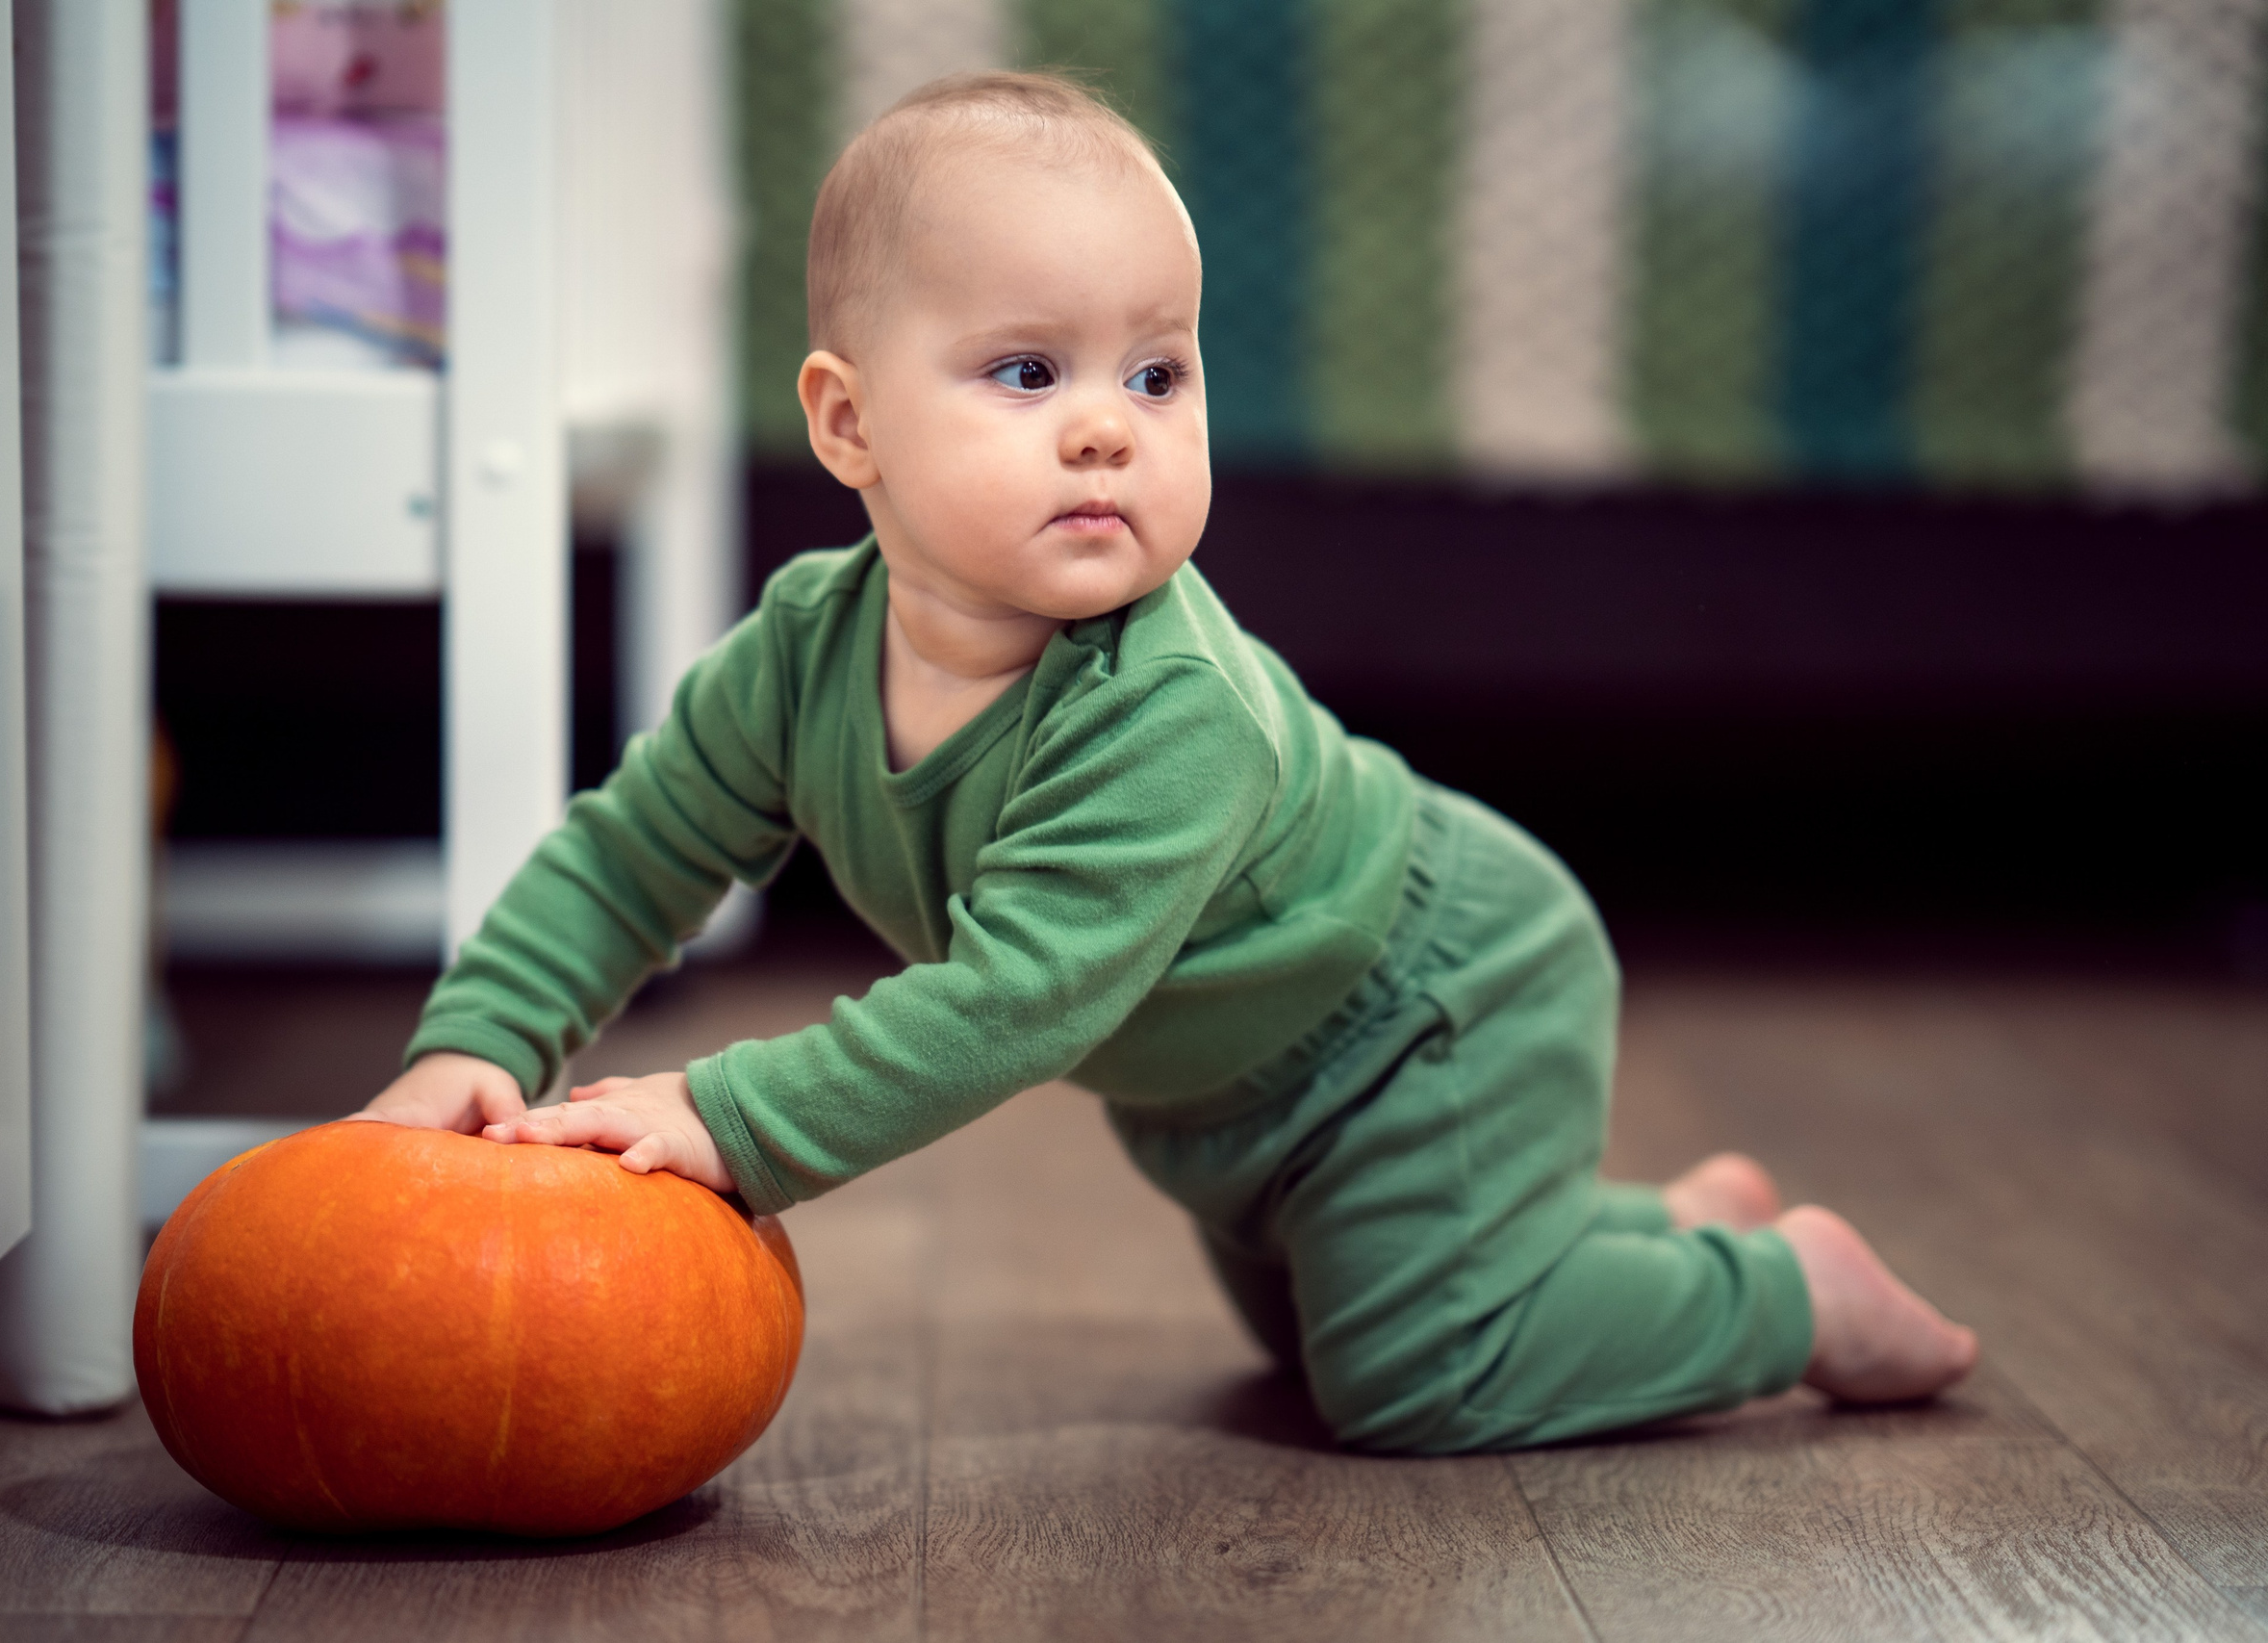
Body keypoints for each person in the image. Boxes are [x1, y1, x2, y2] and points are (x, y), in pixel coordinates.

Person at [360, 71, 1976, 1451]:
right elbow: (632, 849)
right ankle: (1660, 1235)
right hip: (1231, 1092)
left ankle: (1785, 1295)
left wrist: (732, 1115)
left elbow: (1014, 997)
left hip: (1427, 1005)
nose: (1105, 428)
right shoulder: (799, 653)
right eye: (1024, 371)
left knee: (1413, 1377)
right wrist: (483, 1035)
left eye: (1156, 373)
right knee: (1325, 1343)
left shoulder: (1168, 706)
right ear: (848, 428)